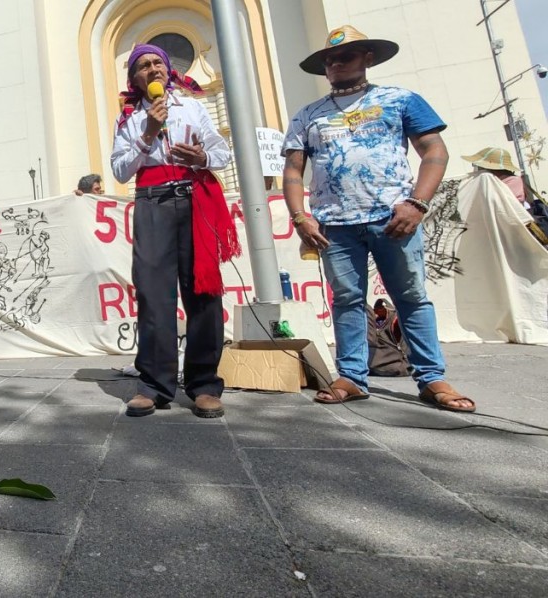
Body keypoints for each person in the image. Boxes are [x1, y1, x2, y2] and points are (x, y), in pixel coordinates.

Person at [281, 25, 475, 413]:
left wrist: (417, 204)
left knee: (411, 298)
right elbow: (292, 170)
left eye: (346, 56)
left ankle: (431, 376)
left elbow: (434, 150)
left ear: (368, 58)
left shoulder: (401, 100)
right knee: (347, 300)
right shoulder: (308, 115)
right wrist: (300, 217)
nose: (336, 63)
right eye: (329, 60)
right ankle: (352, 377)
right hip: (334, 224)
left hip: (394, 218)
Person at [111, 43, 240, 418]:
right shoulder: (128, 119)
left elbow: (221, 153)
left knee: (202, 291)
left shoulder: (193, 107)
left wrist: (202, 158)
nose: (152, 69)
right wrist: (147, 132)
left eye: (157, 63)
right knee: (153, 292)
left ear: (167, 71)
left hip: (193, 197)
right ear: (134, 79)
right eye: (143, 66)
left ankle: (203, 384)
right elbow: (120, 171)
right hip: (152, 201)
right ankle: (154, 385)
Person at [461, 147, 527, 207]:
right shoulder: (482, 181)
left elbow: (498, 204)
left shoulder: (513, 181)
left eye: (477, 166)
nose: (476, 169)